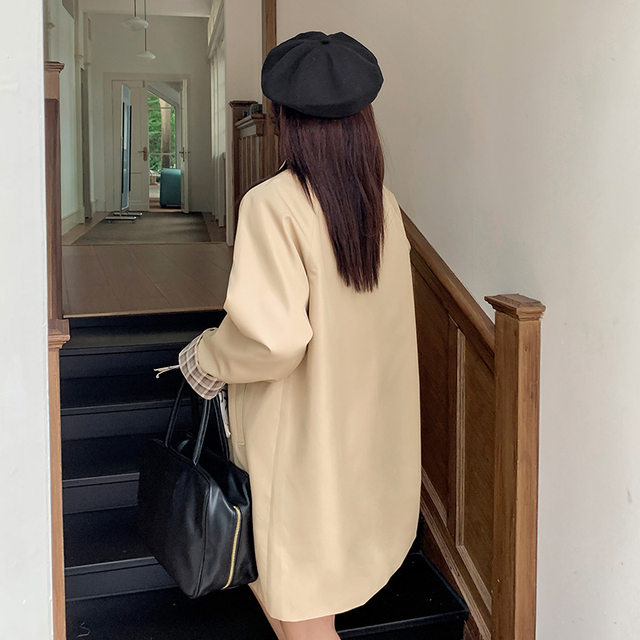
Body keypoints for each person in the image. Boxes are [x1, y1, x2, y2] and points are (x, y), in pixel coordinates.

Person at [177, 31, 421, 640]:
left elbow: (273, 341)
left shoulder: (274, 204)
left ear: (285, 120)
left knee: (303, 621)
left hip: (301, 452)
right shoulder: (382, 205)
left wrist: (206, 356)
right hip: (361, 443)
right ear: (363, 121)